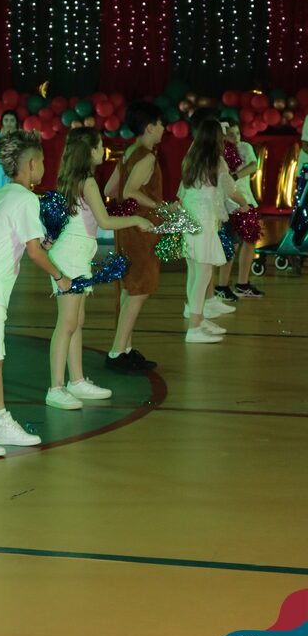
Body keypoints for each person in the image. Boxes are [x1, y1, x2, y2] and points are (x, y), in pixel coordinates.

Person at [0, 130, 72, 456]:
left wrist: (43, 242)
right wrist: (60, 276)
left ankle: (0, 421)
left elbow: (27, 242)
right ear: (31, 164)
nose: (45, 166)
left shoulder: (4, 194)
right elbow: (34, 253)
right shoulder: (25, 198)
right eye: (42, 160)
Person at [46, 126, 154, 409]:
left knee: (76, 321)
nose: (103, 150)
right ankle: (56, 387)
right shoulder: (88, 182)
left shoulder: (73, 179)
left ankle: (77, 380)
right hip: (71, 256)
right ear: (89, 151)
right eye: (99, 146)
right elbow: (105, 222)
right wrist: (136, 220)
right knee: (67, 323)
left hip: (76, 254)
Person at [104, 102, 165, 374]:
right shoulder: (147, 157)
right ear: (150, 127)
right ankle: (118, 352)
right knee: (140, 289)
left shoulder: (129, 153)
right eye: (161, 124)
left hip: (127, 229)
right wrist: (160, 206)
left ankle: (124, 348)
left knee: (131, 289)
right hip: (141, 230)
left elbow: (110, 189)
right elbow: (130, 191)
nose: (164, 129)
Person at [179, 120, 249, 343]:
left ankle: (197, 318)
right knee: (203, 274)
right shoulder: (216, 161)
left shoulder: (190, 159)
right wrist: (244, 203)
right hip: (203, 222)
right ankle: (194, 329)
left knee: (194, 272)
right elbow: (230, 189)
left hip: (190, 220)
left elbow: (182, 192)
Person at [215, 121, 264, 299]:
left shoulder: (245, 147)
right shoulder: (218, 152)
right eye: (230, 134)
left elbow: (253, 165)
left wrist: (235, 176)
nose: (235, 137)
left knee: (250, 241)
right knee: (232, 244)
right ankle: (222, 286)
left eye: (237, 133)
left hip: (246, 201)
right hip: (229, 204)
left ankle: (242, 284)